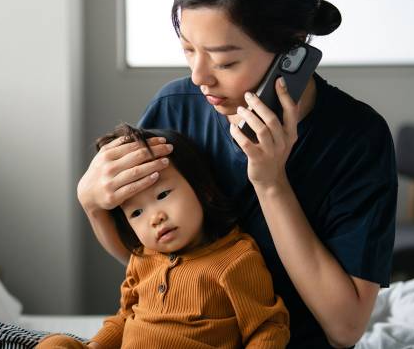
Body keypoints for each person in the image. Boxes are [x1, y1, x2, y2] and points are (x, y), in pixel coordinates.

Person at [77, 0, 397, 348]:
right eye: (189, 50)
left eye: (226, 61)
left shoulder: (358, 139)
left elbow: (345, 328)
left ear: (293, 51)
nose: (200, 77)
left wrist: (271, 183)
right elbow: (155, 264)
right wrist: (93, 204)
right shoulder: (176, 108)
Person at [38, 123, 289, 349]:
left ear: (204, 191)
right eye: (136, 212)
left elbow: (268, 328)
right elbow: (126, 318)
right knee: (55, 344)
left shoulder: (236, 260)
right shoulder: (143, 259)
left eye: (162, 195)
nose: (154, 217)